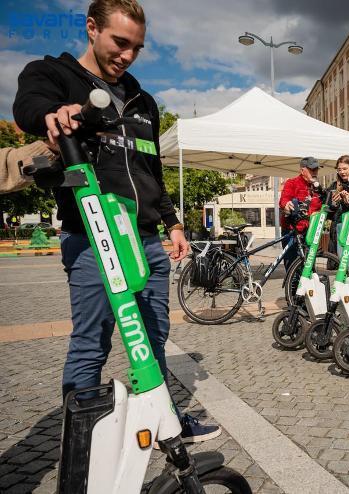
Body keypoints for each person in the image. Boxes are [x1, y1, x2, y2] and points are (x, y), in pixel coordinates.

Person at [13, 0, 219, 443]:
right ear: (92, 28)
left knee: (153, 339)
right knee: (92, 343)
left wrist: (174, 224)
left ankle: (166, 421)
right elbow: (29, 103)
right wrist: (52, 114)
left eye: (137, 48)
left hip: (145, 239)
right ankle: (82, 445)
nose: (126, 55)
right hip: (92, 238)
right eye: (119, 42)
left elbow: (152, 173)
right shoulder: (53, 73)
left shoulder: (142, 100)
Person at [278, 156, 322, 269]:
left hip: (310, 232)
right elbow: (284, 199)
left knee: (309, 268)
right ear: (302, 170)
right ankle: (292, 287)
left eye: (316, 169)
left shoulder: (317, 188)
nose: (315, 172)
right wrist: (286, 204)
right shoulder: (292, 183)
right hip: (292, 231)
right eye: (312, 169)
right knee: (292, 267)